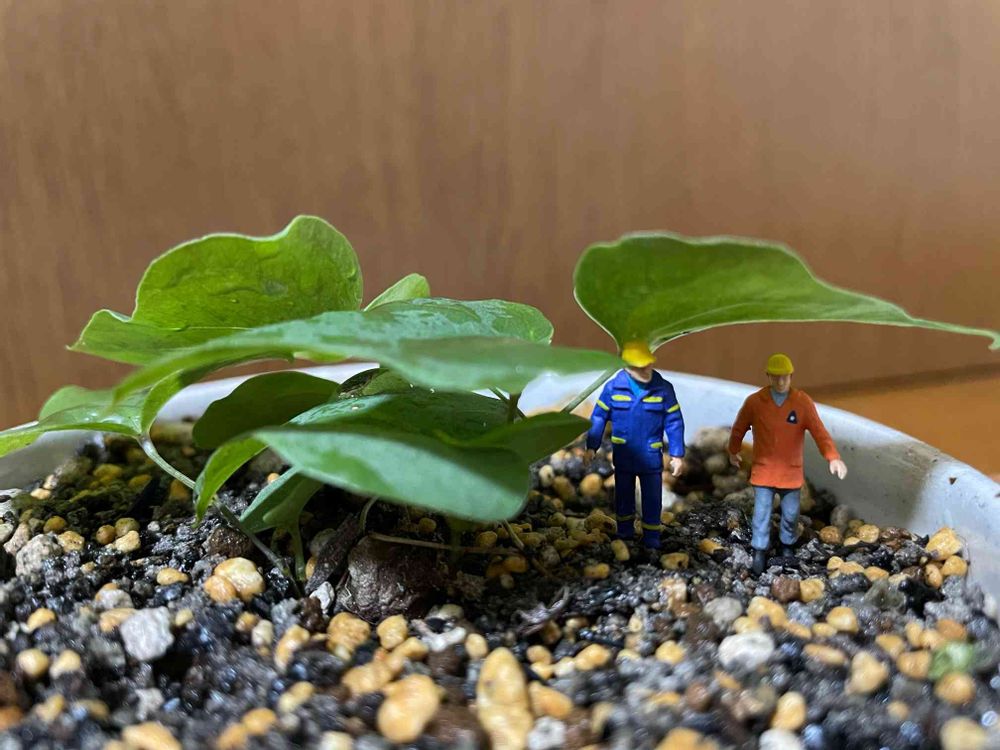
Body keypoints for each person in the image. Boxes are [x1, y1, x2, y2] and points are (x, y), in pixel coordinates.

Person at [728, 353, 848, 574]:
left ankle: (787, 544)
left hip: (790, 473)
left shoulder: (802, 403)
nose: (781, 381)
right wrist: (733, 450)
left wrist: (833, 457)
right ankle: (759, 550)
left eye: (785, 377)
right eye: (776, 377)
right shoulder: (755, 402)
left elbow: (819, 432)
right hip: (764, 471)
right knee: (761, 513)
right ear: (768, 376)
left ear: (791, 376)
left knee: (791, 514)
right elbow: (739, 427)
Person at [586, 342, 685, 552]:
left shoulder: (663, 389)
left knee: (652, 499)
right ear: (626, 366)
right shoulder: (613, 388)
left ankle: (651, 537)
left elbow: (674, 421)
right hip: (624, 455)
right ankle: (625, 533)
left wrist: (677, 454)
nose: (645, 370)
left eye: (648, 365)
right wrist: (591, 446)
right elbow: (599, 416)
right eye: (639, 367)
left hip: (650, 456)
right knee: (623, 497)